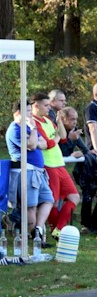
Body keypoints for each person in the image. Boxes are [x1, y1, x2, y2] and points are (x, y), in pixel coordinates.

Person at [31, 93, 80, 239]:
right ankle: (55, 230)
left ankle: (59, 229)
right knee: (52, 201)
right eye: (46, 105)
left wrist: (58, 122)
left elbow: (63, 136)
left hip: (59, 164)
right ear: (36, 106)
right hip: (48, 165)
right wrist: (56, 138)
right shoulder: (34, 123)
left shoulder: (47, 119)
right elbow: (47, 144)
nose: (48, 108)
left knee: (74, 197)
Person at [6, 101, 55, 239]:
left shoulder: (28, 127)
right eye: (28, 111)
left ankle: (37, 230)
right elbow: (32, 145)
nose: (31, 114)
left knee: (48, 199)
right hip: (26, 172)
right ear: (18, 113)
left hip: (38, 172)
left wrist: (33, 136)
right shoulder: (15, 129)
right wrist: (33, 131)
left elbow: (44, 143)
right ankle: (25, 237)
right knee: (30, 207)